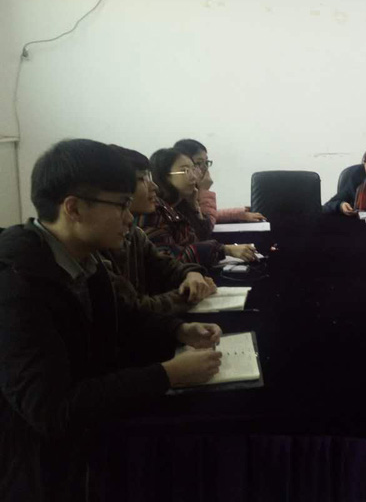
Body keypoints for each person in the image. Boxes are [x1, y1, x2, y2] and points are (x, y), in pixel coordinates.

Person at [0, 139, 224, 501]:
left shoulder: (83, 257)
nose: (129, 217)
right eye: (120, 205)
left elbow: (124, 318)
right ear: (73, 208)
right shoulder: (17, 284)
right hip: (41, 471)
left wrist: (180, 330)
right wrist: (168, 374)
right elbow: (54, 411)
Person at [102, 145, 218, 314]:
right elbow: (130, 311)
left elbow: (168, 264)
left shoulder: (135, 233)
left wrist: (192, 273)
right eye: (142, 178)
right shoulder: (152, 214)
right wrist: (190, 294)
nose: (153, 186)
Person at [135, 148, 257, 268]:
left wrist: (194, 206)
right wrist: (224, 249)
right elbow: (169, 261)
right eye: (185, 171)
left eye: (193, 169)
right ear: (164, 176)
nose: (194, 177)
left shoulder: (178, 205)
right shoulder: (154, 210)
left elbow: (202, 236)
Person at [173, 138, 266, 226]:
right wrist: (205, 191)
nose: (205, 168)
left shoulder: (193, 191)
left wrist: (239, 214)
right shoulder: (178, 193)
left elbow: (206, 216)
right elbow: (206, 226)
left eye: (206, 162)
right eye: (199, 163)